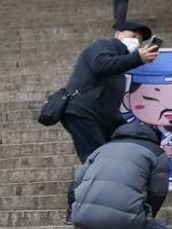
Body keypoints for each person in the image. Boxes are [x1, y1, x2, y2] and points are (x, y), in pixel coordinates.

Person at [73, 122, 172, 229]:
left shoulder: (101, 149)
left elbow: (75, 185)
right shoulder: (156, 153)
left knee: (116, 215)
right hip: (123, 219)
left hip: (82, 217)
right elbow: (157, 193)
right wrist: (145, 218)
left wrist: (85, 224)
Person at [59, 23, 158, 163]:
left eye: (139, 39)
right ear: (118, 34)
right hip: (83, 111)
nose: (136, 41)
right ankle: (93, 182)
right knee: (98, 157)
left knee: (124, 144)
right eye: (132, 36)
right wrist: (138, 58)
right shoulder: (102, 45)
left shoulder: (121, 62)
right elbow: (101, 65)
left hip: (102, 115)